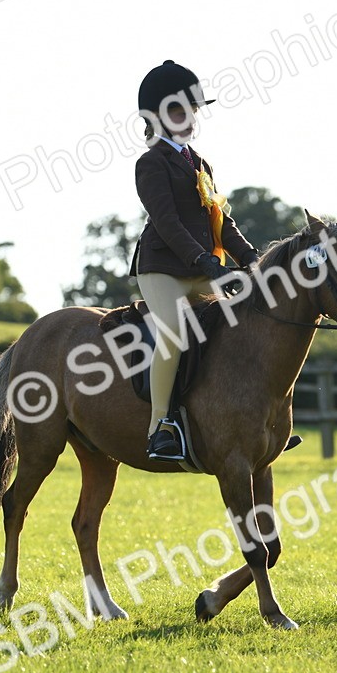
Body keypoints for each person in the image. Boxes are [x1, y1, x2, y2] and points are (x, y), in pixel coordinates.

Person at [130, 60, 260, 462]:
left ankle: (254, 418)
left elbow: (220, 220)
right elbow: (167, 222)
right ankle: (160, 427)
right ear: (156, 117)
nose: (188, 118)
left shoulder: (200, 163)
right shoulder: (151, 163)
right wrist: (203, 260)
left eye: (192, 109)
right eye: (177, 110)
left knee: (249, 320)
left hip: (201, 267)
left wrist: (251, 257)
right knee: (173, 332)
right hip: (162, 269)